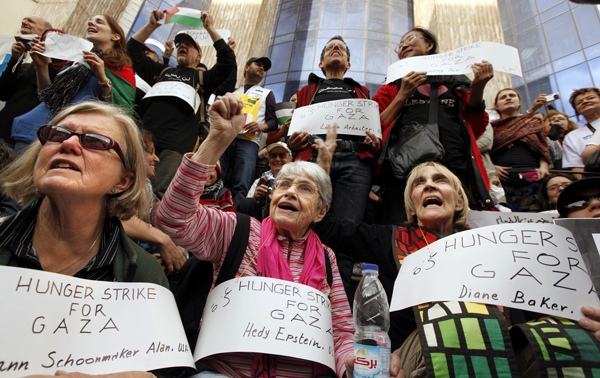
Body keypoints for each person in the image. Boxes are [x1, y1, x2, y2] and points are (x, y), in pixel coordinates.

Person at [155, 94, 400, 378]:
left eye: (305, 188)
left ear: (321, 213)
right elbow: (173, 217)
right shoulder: (238, 231)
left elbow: (342, 332)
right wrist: (215, 142)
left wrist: (352, 364)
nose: (290, 192)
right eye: (283, 184)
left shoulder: (327, 257)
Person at [373, 27, 494, 225]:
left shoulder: (457, 81)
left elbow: (476, 127)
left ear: (429, 45)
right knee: (401, 224)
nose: (403, 46)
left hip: (454, 163)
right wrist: (403, 94)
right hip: (402, 168)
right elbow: (377, 125)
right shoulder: (392, 85)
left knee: (455, 224)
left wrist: (478, 87)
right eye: (400, 45)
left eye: (409, 39)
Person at [127, 9, 236, 198]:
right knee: (127, 184)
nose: (182, 46)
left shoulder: (204, 78)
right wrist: (151, 25)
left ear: (199, 57)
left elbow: (227, 61)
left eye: (189, 45)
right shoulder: (161, 72)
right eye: (180, 45)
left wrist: (210, 28)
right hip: (143, 139)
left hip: (174, 146)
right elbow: (132, 51)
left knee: (154, 195)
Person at [11, 14, 136, 156]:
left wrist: (102, 77)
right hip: (32, 129)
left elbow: (121, 114)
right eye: (90, 21)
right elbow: (47, 97)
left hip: (65, 137)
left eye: (99, 22)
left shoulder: (122, 69)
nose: (91, 23)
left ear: (115, 36)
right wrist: (42, 66)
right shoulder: (76, 60)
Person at [288, 36, 374, 231]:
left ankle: (340, 262)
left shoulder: (363, 91)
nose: (336, 47)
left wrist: (373, 140)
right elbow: (292, 130)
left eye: (341, 48)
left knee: (347, 226)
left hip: (355, 159)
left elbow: (373, 128)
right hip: (313, 155)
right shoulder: (305, 92)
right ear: (321, 63)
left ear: (348, 64)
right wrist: (292, 143)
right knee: (305, 218)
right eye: (330, 47)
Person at [121, 130, 187, 275]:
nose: (157, 159)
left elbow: (162, 221)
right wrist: (162, 240)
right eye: (150, 152)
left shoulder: (146, 187)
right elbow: (117, 219)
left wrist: (177, 251)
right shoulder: (113, 182)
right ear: (133, 153)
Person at [220, 56, 277, 205]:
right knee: (218, 178)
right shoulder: (232, 92)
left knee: (242, 183)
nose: (261, 69)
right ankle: (213, 210)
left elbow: (273, 121)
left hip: (249, 143)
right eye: (258, 64)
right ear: (246, 67)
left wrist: (261, 126)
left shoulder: (267, 93)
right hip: (225, 140)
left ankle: (237, 217)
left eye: (264, 69)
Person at [490, 88, 551, 212]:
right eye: (503, 97)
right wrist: (492, 166)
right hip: (503, 181)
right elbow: (483, 151)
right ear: (496, 105)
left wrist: (544, 166)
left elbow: (543, 147)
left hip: (534, 178)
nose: (508, 98)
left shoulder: (533, 123)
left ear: (519, 102)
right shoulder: (490, 128)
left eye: (512, 95)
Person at [0, 15, 53, 146]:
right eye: (23, 20)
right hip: (3, 128)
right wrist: (15, 59)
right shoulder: (23, 66)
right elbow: (3, 94)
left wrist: (44, 62)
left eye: (30, 21)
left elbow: (47, 94)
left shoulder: (60, 66)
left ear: (46, 32)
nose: (24, 22)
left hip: (25, 138)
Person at [237, 142, 292, 220]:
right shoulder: (259, 181)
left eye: (282, 156)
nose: (277, 159)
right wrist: (255, 197)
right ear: (269, 160)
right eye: (273, 156)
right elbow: (246, 205)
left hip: (285, 218)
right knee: (247, 202)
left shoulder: (295, 181)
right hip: (259, 219)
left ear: (290, 160)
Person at [563, 88, 600, 174]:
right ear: (577, 111)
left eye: (590, 98)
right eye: (579, 102)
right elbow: (578, 170)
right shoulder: (572, 137)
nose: (585, 102)